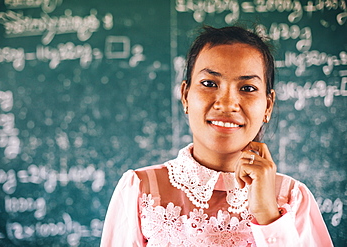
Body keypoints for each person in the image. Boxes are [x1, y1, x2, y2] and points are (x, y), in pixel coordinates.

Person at [100, 26, 333, 246]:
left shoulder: (293, 198)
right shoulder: (139, 190)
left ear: (268, 106)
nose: (227, 103)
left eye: (248, 88)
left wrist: (268, 216)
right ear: (185, 95)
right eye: (209, 83)